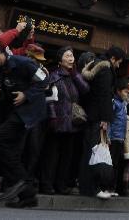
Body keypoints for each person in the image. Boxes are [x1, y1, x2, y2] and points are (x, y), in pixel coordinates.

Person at [0, 37, 47, 209]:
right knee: (11, 150)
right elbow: (5, 92)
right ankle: (27, 195)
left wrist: (26, 94)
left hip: (28, 112)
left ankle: (22, 181)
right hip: (12, 113)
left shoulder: (23, 62)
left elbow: (44, 80)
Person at [40, 45, 88, 195]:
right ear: (60, 60)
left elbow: (86, 89)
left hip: (72, 123)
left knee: (67, 157)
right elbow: (49, 99)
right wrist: (52, 117)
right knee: (51, 155)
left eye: (72, 56)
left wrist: (75, 75)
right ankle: (46, 185)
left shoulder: (75, 76)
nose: (70, 58)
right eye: (67, 56)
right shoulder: (54, 76)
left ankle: (61, 185)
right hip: (57, 121)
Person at [79, 46, 124, 198]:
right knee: (93, 152)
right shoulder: (105, 69)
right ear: (112, 59)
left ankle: (90, 187)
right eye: (118, 62)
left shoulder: (96, 66)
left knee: (89, 151)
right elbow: (104, 95)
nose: (118, 66)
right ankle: (92, 188)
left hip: (92, 114)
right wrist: (105, 118)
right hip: (98, 116)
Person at [110, 78, 129, 196]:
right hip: (113, 138)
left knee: (118, 164)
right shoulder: (114, 103)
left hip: (121, 137)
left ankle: (115, 188)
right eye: (125, 91)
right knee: (112, 164)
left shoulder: (123, 103)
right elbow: (110, 121)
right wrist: (108, 137)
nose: (127, 94)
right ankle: (109, 187)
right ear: (118, 91)